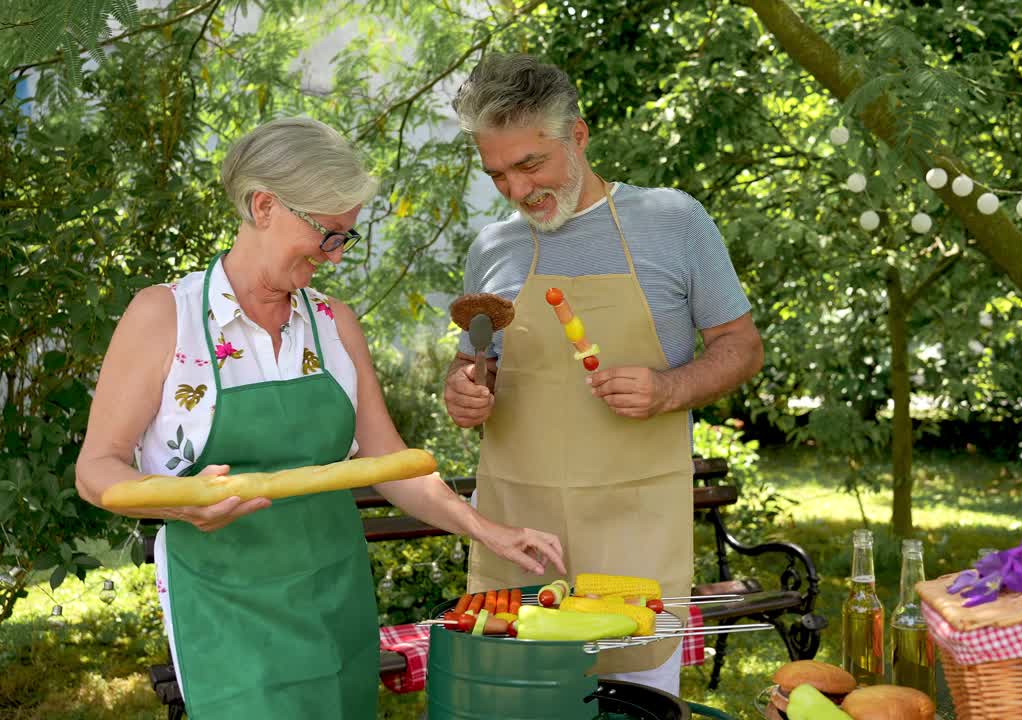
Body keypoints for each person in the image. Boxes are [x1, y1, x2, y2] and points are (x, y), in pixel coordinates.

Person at [75, 117, 565, 720]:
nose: (334, 256)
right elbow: (97, 467)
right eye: (328, 235)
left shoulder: (335, 323)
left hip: (336, 598)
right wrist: (175, 501)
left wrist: (483, 527)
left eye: (345, 238)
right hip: (226, 611)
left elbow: (392, 465)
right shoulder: (164, 317)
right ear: (263, 206)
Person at [444, 54, 764, 695]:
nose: (516, 190)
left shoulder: (673, 221)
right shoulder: (492, 248)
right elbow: (475, 363)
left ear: (579, 136)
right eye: (498, 174)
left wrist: (669, 387)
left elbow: (741, 347)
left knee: (634, 701)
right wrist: (464, 391)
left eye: (531, 164)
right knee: (519, 704)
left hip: (634, 532)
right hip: (521, 535)